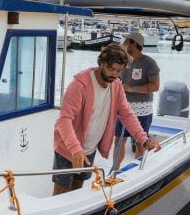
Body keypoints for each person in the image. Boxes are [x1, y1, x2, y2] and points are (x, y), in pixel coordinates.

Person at [52, 43, 161, 196]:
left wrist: (144, 139)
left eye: (119, 71)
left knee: (76, 191)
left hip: (89, 148)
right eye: (111, 69)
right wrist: (75, 149)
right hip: (68, 149)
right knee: (60, 192)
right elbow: (64, 120)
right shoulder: (79, 85)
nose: (115, 74)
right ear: (101, 63)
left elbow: (127, 114)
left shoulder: (116, 85)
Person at [112, 30, 160, 172]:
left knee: (140, 143)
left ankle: (136, 173)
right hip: (123, 109)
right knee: (118, 142)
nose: (123, 44)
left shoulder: (149, 63)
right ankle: (114, 172)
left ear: (133, 44)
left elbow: (155, 86)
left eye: (126, 42)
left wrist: (132, 88)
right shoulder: (122, 61)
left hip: (142, 110)